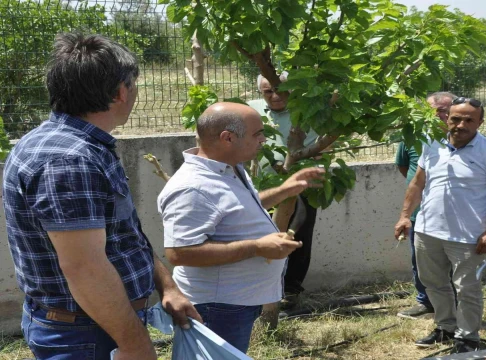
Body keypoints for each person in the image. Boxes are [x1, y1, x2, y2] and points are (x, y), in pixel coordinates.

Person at [2, 33, 199, 360]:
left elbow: (122, 236)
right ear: (121, 92)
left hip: (93, 326)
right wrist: (135, 345)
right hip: (87, 334)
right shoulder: (69, 161)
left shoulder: (75, 145)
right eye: (134, 86)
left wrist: (167, 286)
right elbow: (86, 269)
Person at [157, 102, 325, 353]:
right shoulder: (192, 187)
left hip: (234, 302)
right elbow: (180, 253)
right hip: (217, 307)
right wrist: (258, 247)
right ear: (228, 138)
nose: (264, 140)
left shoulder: (229, 168)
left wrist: (283, 191)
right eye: (257, 134)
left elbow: (239, 207)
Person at [394, 97, 486, 353]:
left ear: (481, 122)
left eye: (469, 119)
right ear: (447, 118)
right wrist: (405, 216)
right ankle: (445, 327)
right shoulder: (431, 146)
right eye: (456, 118)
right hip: (427, 231)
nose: (461, 124)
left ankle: (467, 337)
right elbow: (417, 183)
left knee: (467, 288)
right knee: (433, 283)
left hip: (469, 237)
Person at [247, 73, 318, 307]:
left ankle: (291, 290)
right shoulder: (251, 111)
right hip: (262, 187)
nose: (275, 96)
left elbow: (320, 148)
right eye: (268, 91)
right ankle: (264, 290)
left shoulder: (303, 113)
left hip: (298, 185)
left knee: (297, 236)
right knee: (262, 236)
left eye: (280, 90)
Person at [394, 91, 457, 320]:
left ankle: (454, 305)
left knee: (452, 263)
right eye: (432, 110)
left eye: (443, 110)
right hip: (420, 213)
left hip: (454, 214)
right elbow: (404, 167)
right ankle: (425, 302)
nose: (437, 115)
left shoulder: (463, 138)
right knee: (419, 260)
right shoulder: (413, 136)